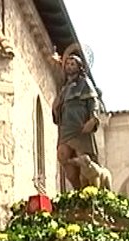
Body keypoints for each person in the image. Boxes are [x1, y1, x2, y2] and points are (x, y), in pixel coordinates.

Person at [52, 53, 102, 190]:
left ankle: (91, 191)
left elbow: (93, 101)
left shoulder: (85, 83)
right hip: (66, 127)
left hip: (80, 126)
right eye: (67, 64)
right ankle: (77, 189)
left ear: (79, 67)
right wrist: (56, 108)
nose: (69, 66)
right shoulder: (64, 88)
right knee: (62, 155)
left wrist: (93, 119)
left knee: (83, 159)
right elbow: (58, 110)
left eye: (72, 64)